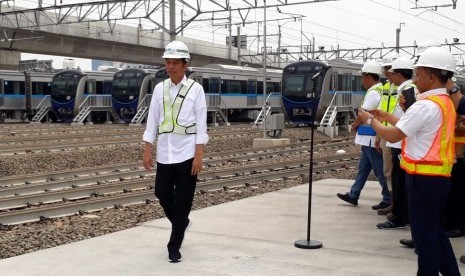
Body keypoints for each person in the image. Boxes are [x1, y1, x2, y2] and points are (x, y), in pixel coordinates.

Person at [358, 46, 460, 275]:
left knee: (424, 237)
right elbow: (416, 128)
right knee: (435, 231)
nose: (415, 78)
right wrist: (388, 117)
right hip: (438, 178)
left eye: (418, 73)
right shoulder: (444, 103)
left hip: (422, 179)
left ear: (432, 76)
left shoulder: (425, 105)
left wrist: (370, 120)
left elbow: (394, 135)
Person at [142, 40, 209, 263]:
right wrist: (147, 148)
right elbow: (152, 121)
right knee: (161, 194)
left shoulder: (196, 90)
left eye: (174, 63)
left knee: (183, 202)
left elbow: (201, 123)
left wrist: (199, 155)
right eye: (167, 62)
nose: (170, 67)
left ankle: (174, 246)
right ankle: (182, 223)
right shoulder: (160, 89)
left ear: (185, 64)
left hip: (188, 154)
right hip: (165, 153)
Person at [337, 60, 391, 209]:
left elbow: (363, 114)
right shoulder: (380, 89)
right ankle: (353, 195)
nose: (361, 80)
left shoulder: (374, 92)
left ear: (367, 76)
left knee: (379, 171)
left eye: (362, 77)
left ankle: (389, 198)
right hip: (368, 138)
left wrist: (354, 125)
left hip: (371, 138)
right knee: (364, 168)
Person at [376, 57, 417, 229]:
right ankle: (399, 212)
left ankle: (400, 216)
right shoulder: (403, 89)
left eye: (392, 72)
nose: (389, 75)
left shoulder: (408, 91)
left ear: (399, 74)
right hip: (399, 141)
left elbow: (405, 120)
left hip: (400, 142)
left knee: (400, 181)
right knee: (397, 180)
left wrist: (374, 122)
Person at [376, 53, 398, 216]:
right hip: (385, 133)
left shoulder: (403, 87)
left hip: (397, 133)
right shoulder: (385, 87)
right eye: (384, 68)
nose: (386, 71)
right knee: (387, 170)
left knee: (394, 171)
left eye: (389, 68)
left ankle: (396, 204)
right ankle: (392, 201)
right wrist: (378, 134)